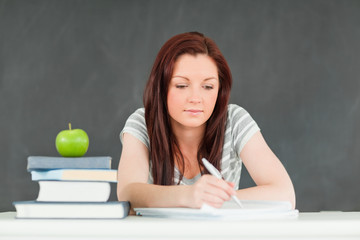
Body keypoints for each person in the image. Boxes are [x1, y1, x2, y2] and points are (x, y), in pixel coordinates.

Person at [117, 32, 295, 213]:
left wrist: (209, 199)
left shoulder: (233, 120)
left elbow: (285, 195)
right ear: (161, 88)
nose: (196, 98)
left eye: (208, 87)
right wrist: (189, 196)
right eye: (181, 85)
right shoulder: (142, 122)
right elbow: (128, 194)